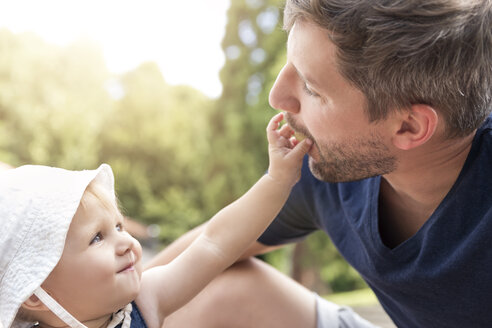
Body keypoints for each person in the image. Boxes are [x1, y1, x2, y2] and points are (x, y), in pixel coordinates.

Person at [144, 0, 492, 327]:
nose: (277, 96)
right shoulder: (328, 170)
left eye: (311, 87)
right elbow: (209, 246)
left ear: (408, 126)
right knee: (225, 288)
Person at [0, 112, 313, 328]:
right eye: (97, 237)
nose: (124, 242)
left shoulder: (145, 302)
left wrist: (276, 181)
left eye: (118, 227)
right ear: (33, 290)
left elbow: (214, 243)